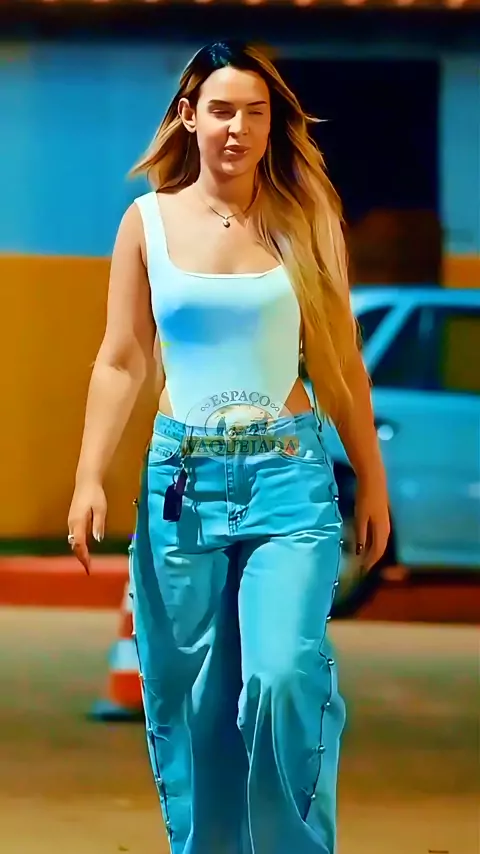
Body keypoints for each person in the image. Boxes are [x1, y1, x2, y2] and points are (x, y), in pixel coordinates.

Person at [68, 41, 390, 854]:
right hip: (183, 482)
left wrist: (373, 480)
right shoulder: (146, 222)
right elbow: (122, 358)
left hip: (290, 478)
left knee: (282, 674)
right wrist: (89, 476)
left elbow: (340, 363)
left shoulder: (305, 219)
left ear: (273, 124)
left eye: (255, 112)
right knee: (195, 700)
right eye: (221, 111)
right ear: (189, 116)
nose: (237, 128)